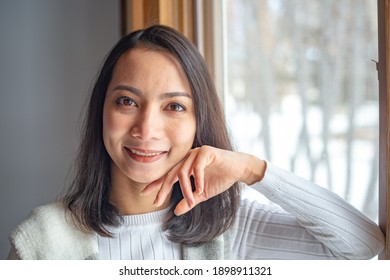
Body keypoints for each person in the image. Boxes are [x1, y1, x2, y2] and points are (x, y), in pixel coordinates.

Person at [8, 25, 384, 260]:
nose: (146, 128)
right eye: (127, 101)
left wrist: (252, 170)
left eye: (174, 106)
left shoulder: (232, 230)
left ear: (198, 122)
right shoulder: (44, 240)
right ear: (101, 111)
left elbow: (363, 246)